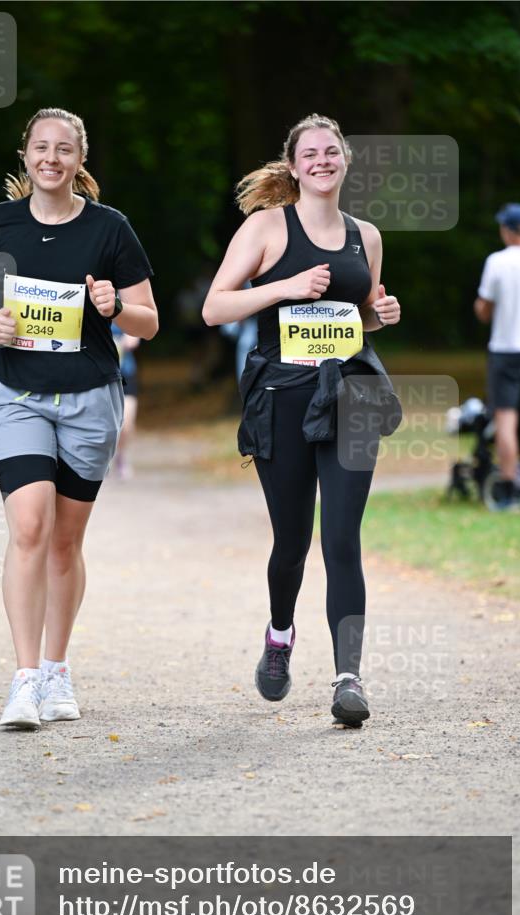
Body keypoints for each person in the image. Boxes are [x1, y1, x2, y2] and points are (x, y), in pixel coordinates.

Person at [203, 113, 401, 727]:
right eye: (309, 153)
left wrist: (380, 313)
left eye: (331, 151)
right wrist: (283, 286)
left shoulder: (364, 236)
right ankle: (280, 634)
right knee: (292, 542)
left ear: (344, 160)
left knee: (341, 538)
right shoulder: (266, 227)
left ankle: (349, 678)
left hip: (348, 395)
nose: (321, 160)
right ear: (293, 166)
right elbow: (215, 307)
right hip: (281, 398)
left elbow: (358, 313)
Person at [0, 107, 157, 731]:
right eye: (41, 147)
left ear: (80, 159)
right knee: (29, 525)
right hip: (15, 392)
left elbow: (148, 321)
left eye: (64, 149)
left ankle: (57, 669)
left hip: (88, 398)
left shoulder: (111, 229)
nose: (51, 158)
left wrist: (115, 304)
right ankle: (23, 681)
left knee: (65, 542)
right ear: (25, 154)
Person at [474, 202, 520, 511]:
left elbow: (484, 308)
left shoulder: (497, 261)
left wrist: (483, 310)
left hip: (506, 351)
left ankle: (509, 491)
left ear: (507, 231)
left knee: (506, 422)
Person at [111, 322, 140, 479]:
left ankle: (121, 455)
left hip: (125, 373)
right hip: (99, 376)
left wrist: (130, 338)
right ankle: (103, 460)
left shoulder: (125, 302)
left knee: (126, 423)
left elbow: (136, 334)